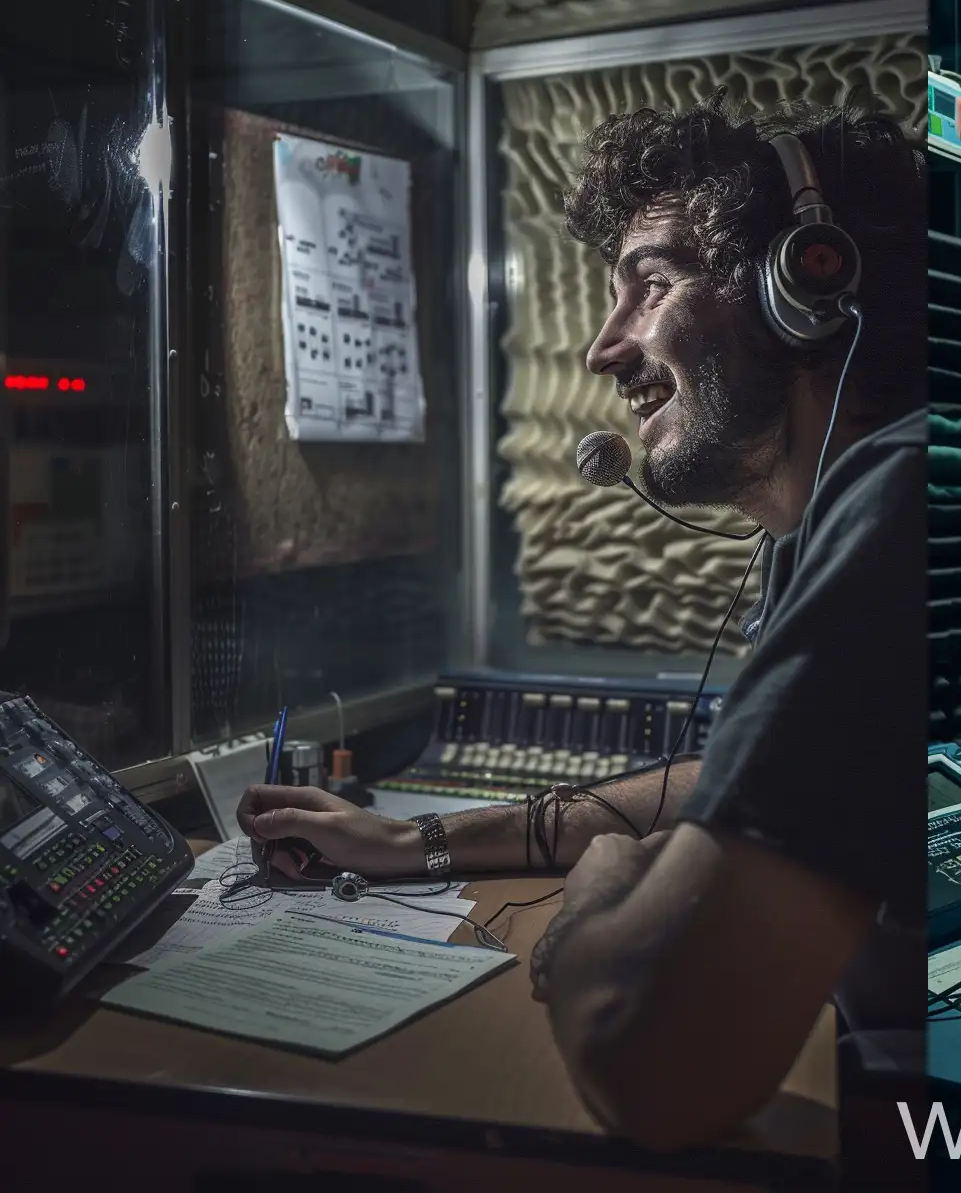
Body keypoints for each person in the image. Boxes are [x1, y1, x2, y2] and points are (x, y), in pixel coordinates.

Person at [236, 102, 925, 1153]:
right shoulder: (824, 520)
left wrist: (606, 877)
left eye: (650, 280)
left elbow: (645, 1062)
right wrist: (412, 841)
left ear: (806, 283)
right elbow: (758, 781)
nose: (606, 347)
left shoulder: (894, 496)